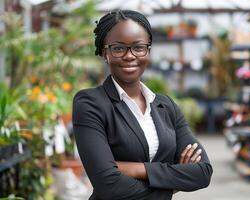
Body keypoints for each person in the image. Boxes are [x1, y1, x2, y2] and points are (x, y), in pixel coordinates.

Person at [72, 10, 213, 200]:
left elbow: (202, 172)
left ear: (148, 51)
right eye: (118, 48)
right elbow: (108, 185)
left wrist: (136, 169)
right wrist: (172, 182)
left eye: (138, 47)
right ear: (105, 53)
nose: (130, 56)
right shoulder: (90, 104)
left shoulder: (166, 106)